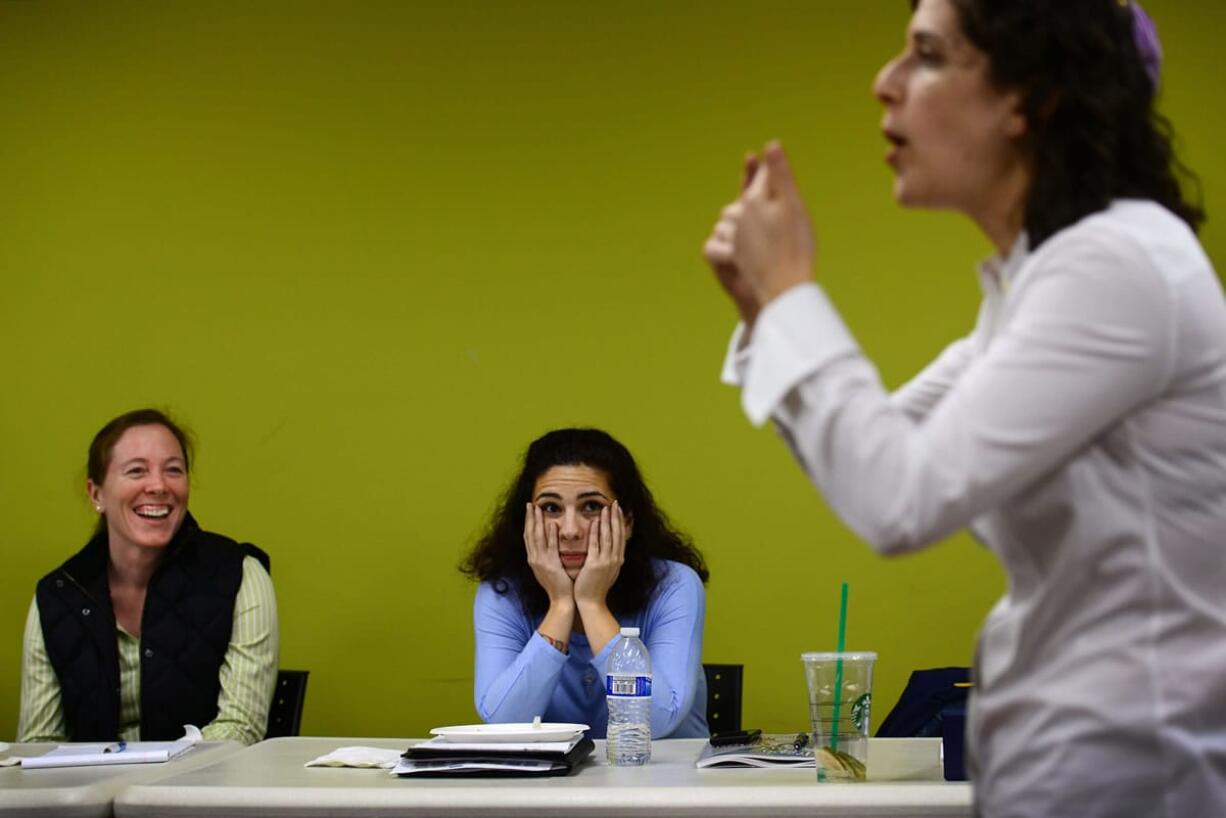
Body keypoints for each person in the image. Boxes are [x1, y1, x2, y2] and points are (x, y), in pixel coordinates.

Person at [703, 1, 1225, 816]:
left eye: (927, 54)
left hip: (1127, 774)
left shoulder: (1117, 263)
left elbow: (900, 503)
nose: (885, 84)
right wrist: (770, 315)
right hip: (1066, 766)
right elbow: (874, 454)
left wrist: (792, 294)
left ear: (1031, 99)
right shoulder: (1040, 285)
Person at [18, 409, 279, 745]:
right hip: (89, 794)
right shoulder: (57, 595)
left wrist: (149, 777)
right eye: (136, 471)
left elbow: (239, 728)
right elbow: (38, 744)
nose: (158, 486)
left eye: (173, 470)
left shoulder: (241, 575)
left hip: (200, 791)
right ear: (96, 494)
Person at [461, 428, 710, 738]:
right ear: (528, 522)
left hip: (659, 782)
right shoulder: (501, 593)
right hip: (552, 784)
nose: (569, 530)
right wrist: (561, 605)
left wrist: (592, 605)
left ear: (627, 521)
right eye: (551, 508)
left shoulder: (673, 585)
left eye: (590, 506)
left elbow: (656, 722)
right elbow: (504, 725)